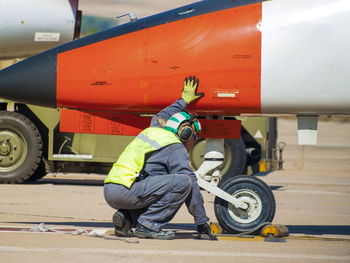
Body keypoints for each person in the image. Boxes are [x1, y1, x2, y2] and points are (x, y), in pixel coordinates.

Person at [104, 76, 217, 240]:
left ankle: (127, 218)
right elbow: (190, 182)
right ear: (186, 134)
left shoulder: (155, 127)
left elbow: (164, 114)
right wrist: (201, 220)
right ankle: (148, 225)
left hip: (111, 188)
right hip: (127, 191)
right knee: (183, 182)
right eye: (194, 136)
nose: (194, 140)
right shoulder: (175, 147)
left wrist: (184, 100)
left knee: (161, 185)